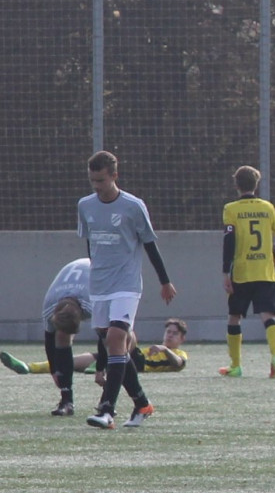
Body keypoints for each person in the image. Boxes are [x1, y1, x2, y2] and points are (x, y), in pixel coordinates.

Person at [77, 150, 177, 429]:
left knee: (116, 337)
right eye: (92, 180)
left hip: (126, 284)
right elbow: (91, 243)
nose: (96, 186)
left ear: (114, 176)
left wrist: (165, 281)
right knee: (115, 346)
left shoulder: (133, 206)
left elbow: (149, 244)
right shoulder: (85, 205)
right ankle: (142, 404)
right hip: (100, 285)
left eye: (101, 180)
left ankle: (106, 410)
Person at [219, 166, 275, 379]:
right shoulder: (267, 207)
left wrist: (226, 272)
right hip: (264, 272)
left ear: (236, 184)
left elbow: (229, 241)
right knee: (268, 316)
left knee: (234, 317)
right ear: (256, 184)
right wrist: (274, 258)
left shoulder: (231, 209)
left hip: (241, 273)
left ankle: (236, 366)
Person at [15, 258, 93, 416]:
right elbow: (49, 339)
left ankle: (109, 403)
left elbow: (106, 334)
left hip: (107, 273)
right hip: (75, 278)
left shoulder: (92, 302)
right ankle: (67, 401)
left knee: (118, 338)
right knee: (61, 336)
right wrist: (54, 371)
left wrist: (101, 368)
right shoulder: (49, 308)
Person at [3, 318, 189, 376]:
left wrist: (165, 350)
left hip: (136, 363)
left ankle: (102, 363)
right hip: (122, 356)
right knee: (70, 361)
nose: (169, 335)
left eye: (174, 333)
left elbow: (179, 364)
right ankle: (29, 367)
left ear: (182, 338)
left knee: (127, 332)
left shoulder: (179, 353)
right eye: (168, 331)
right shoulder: (151, 348)